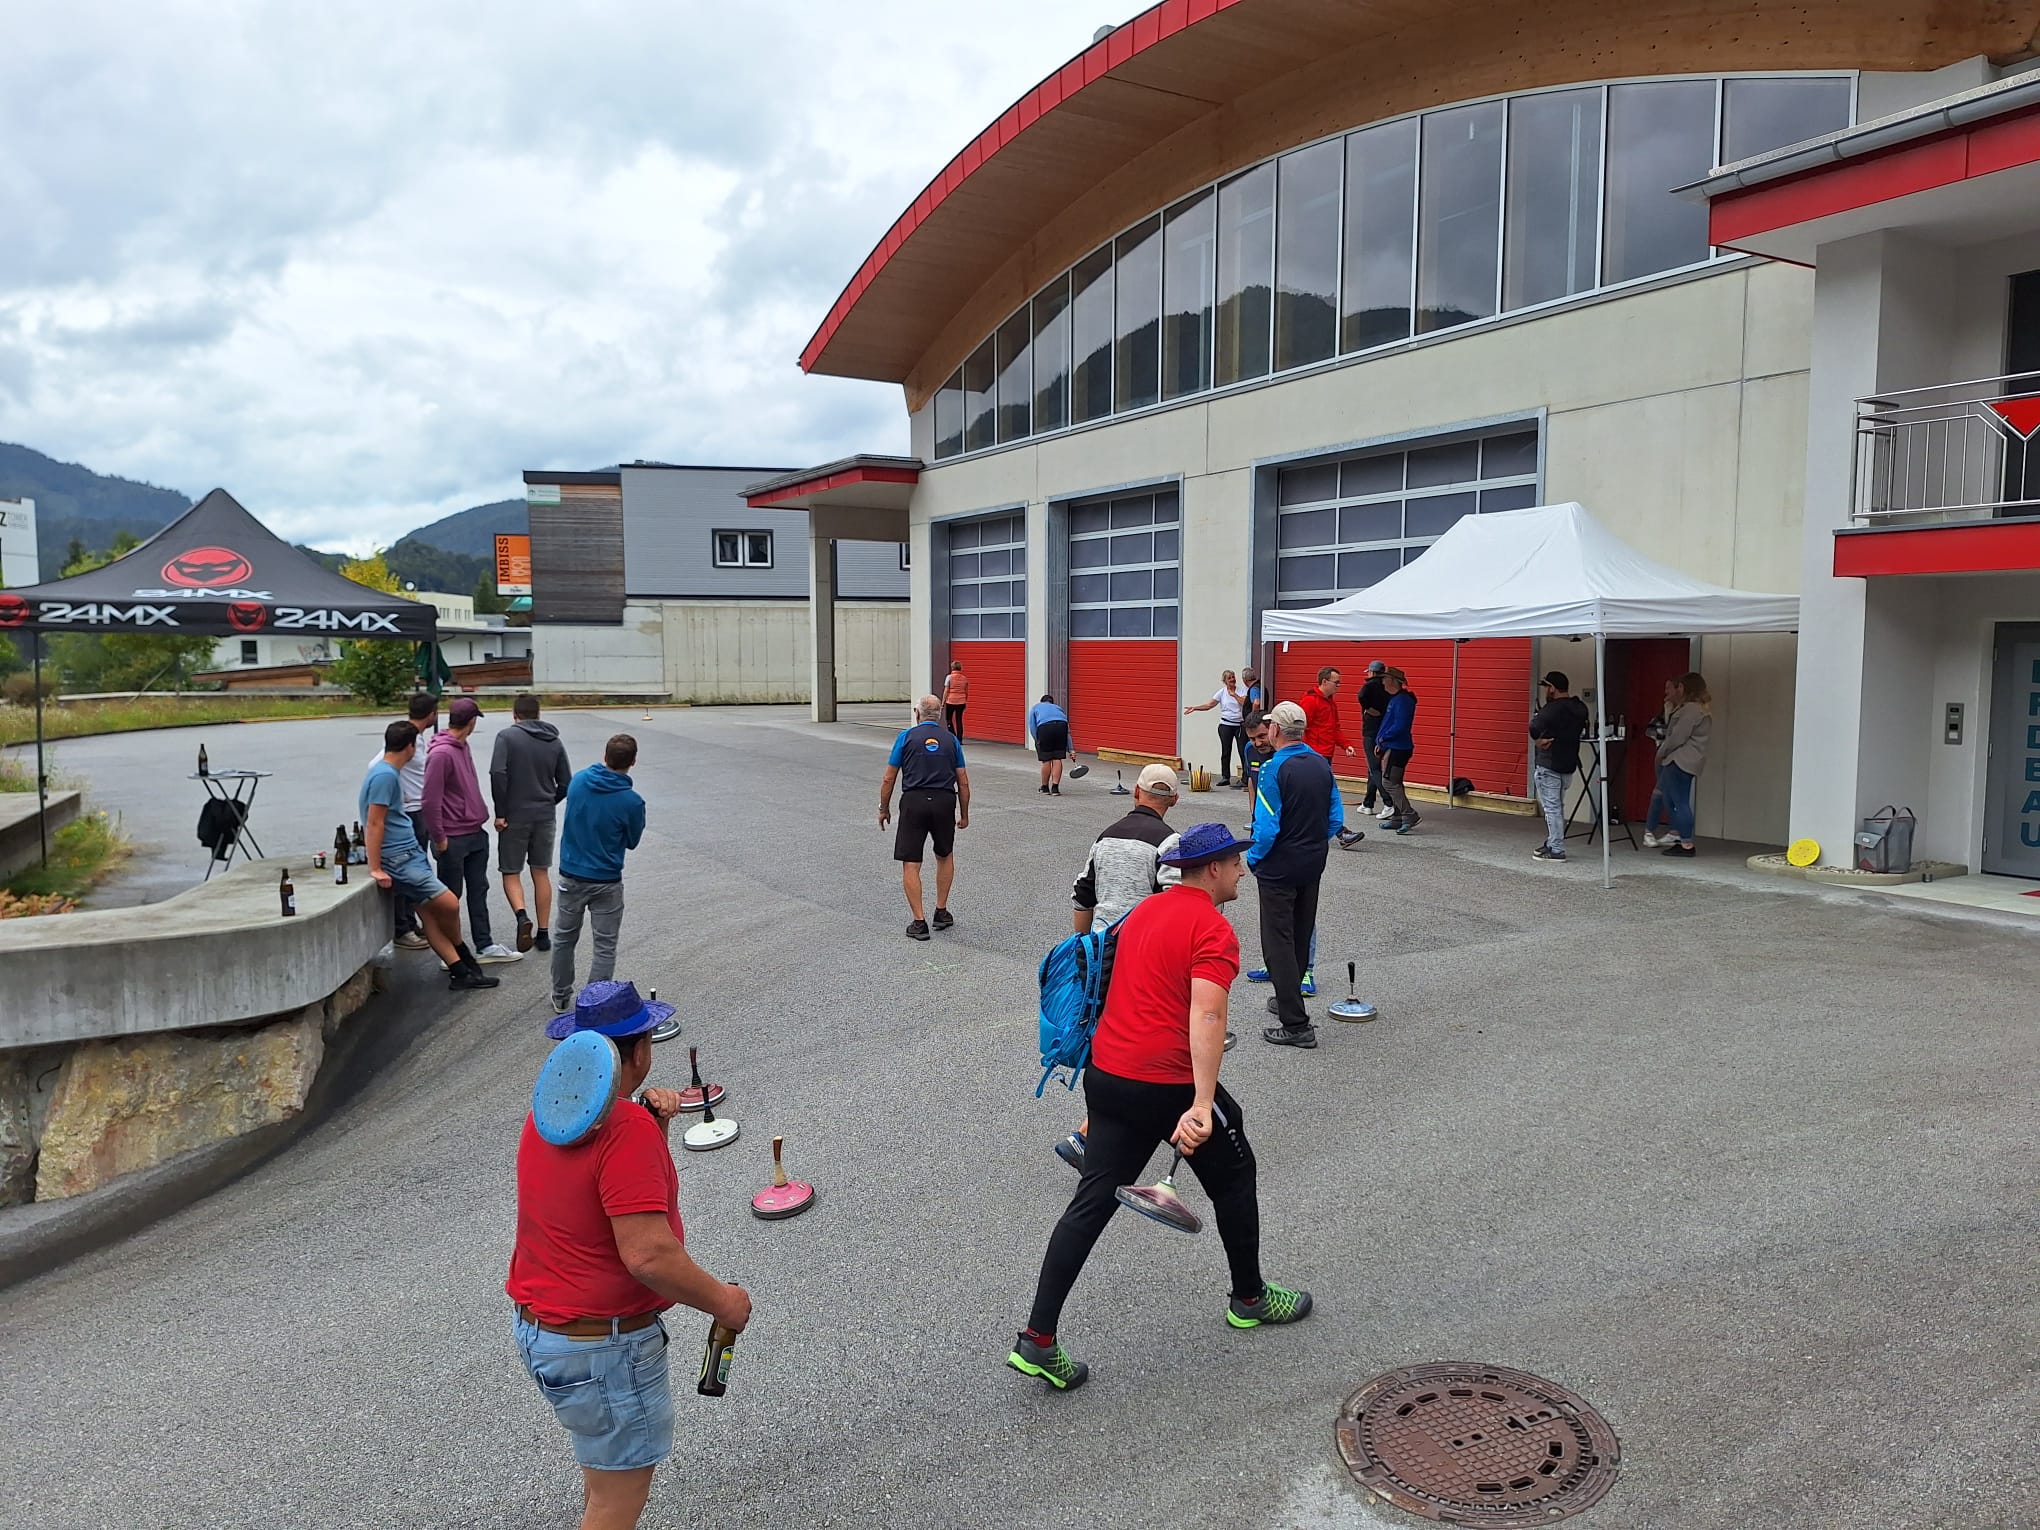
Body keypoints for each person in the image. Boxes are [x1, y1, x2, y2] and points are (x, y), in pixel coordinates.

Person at [1007, 823, 1312, 1392]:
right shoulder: (1213, 929)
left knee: (1091, 1202)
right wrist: (1201, 1103)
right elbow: (1208, 1015)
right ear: (1213, 869)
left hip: (1107, 1076)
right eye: (1235, 863)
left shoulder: (1141, 912)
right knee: (1236, 1175)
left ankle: (1038, 1337)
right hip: (1166, 1083)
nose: (1242, 871)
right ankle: (1249, 1298)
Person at [509, 980, 752, 1530]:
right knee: (616, 1501)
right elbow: (647, 1255)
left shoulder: (547, 1117)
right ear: (640, 1051)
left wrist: (655, 1129)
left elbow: (604, 1199)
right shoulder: (625, 1128)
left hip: (548, 1333)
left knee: (605, 1482)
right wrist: (724, 1303)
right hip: (604, 1349)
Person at [1056, 762, 1184, 1173]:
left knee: (1109, 1040)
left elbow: (1082, 894)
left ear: (1135, 793)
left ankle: (1096, 1133)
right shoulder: (1170, 843)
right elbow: (1175, 903)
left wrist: (1083, 945)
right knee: (1142, 1046)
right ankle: (1091, 1136)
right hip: (1145, 960)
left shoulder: (1105, 837)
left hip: (1101, 957)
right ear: (1174, 800)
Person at [360, 721, 498, 991]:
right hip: (399, 858)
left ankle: (461, 971)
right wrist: (375, 867)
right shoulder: (385, 776)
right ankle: (464, 954)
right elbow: (374, 822)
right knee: (449, 903)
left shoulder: (387, 773)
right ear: (410, 747)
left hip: (407, 852)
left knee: (430, 916)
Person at [1248, 702, 1342, 1048]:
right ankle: (1289, 996)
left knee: (1278, 941)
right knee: (1300, 932)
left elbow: (1267, 827)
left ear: (1275, 729)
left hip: (1279, 864)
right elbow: (1335, 818)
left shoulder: (1273, 769)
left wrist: (1254, 858)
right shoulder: (1321, 764)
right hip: (1312, 860)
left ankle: (1296, 1024)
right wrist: (1312, 843)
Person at [551, 735, 648, 1011]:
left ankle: (560, 994)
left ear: (605, 756)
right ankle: (593, 1003)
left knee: (564, 937)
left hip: (571, 873)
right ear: (633, 762)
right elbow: (632, 841)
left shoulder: (579, 782)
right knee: (605, 945)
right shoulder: (632, 802)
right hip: (606, 879)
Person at [421, 696, 520, 964]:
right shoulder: (441, 754)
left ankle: (484, 945)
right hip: (452, 837)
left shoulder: (462, 746)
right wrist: (439, 838)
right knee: (450, 898)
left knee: (479, 890)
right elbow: (430, 800)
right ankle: (450, 955)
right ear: (472, 721)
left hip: (474, 832)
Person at [879, 695, 970, 940]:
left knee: (911, 862)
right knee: (945, 854)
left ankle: (919, 922)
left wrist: (883, 808)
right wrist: (964, 814)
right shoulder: (951, 740)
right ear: (939, 715)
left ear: (917, 713)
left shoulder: (905, 737)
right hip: (944, 801)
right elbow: (962, 780)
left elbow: (889, 777)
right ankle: (941, 911)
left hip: (914, 801)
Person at [492, 693, 573, 953]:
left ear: (515, 715)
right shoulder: (554, 741)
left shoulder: (506, 737)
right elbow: (566, 783)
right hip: (544, 815)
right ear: (538, 714)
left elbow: (498, 773)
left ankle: (521, 916)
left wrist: (501, 812)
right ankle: (544, 933)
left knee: (511, 871)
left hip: (514, 815)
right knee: (541, 872)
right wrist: (549, 801)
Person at [369, 692, 438, 950]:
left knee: (415, 869)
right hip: (410, 811)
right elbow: (377, 763)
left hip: (419, 809)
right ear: (431, 714)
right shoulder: (406, 738)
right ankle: (402, 928)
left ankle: (410, 920)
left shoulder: (416, 738)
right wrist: (399, 792)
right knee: (405, 872)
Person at [1647, 672, 1712, 857]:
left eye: (1680, 686)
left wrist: (1661, 752)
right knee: (1672, 799)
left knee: (1678, 801)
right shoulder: (1700, 709)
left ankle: (1686, 844)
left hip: (1679, 760)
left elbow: (1677, 736)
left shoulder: (1690, 709)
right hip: (1689, 760)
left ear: (1685, 688)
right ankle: (1681, 838)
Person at [1528, 671, 1590, 862]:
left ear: (1552, 688)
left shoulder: (1551, 709)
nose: (1546, 691)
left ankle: (1556, 848)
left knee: (1552, 808)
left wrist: (1539, 741)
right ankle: (1552, 842)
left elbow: (1534, 727)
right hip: (1568, 764)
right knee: (1558, 807)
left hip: (1549, 764)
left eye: (1546, 687)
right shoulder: (1579, 708)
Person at [1375, 668, 1420, 835]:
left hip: (1397, 748)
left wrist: (1383, 738)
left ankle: (1409, 814)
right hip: (1396, 746)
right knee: (1395, 782)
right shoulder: (1398, 699)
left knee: (1389, 783)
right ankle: (1397, 817)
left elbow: (1400, 726)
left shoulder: (1402, 701)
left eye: (1385, 679)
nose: (1382, 682)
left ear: (1393, 681)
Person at [1183, 670, 1248, 786]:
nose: (1232, 679)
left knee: (1242, 751)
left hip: (1239, 725)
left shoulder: (1242, 690)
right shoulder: (1221, 692)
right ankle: (1225, 777)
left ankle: (1245, 778)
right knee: (1226, 751)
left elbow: (1245, 703)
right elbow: (1209, 705)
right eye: (1229, 678)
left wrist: (1234, 695)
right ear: (1225, 681)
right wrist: (1195, 708)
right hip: (1225, 725)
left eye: (1233, 677)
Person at [1299, 666, 1358, 766]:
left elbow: (1335, 728)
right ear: (1324, 682)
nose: (1338, 685)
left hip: (1327, 752)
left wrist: (1346, 745)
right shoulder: (1310, 700)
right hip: (1313, 752)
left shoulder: (1331, 703)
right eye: (1336, 682)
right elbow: (1301, 726)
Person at [1355, 660, 1390, 817]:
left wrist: (1368, 709)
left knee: (1374, 768)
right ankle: (1368, 803)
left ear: (1372, 672)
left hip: (1370, 730)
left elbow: (1361, 696)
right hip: (1384, 729)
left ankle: (1388, 802)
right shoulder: (1386, 686)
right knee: (1373, 767)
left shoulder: (1369, 685)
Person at [1028, 693, 1074, 794]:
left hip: (1045, 728)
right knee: (1057, 758)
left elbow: (1032, 726)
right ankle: (1055, 788)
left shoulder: (1036, 707)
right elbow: (1067, 731)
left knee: (1046, 759)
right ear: (1052, 702)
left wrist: (1037, 740)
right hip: (1061, 727)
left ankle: (1045, 787)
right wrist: (1071, 749)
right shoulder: (1058, 708)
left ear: (1042, 701)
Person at [943, 660, 969, 740]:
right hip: (961, 701)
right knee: (959, 720)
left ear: (952, 668)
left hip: (951, 701)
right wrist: (965, 700)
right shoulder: (964, 678)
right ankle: (959, 738)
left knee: (948, 719)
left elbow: (946, 691)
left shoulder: (949, 677)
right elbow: (966, 691)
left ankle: (953, 736)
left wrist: (943, 702)